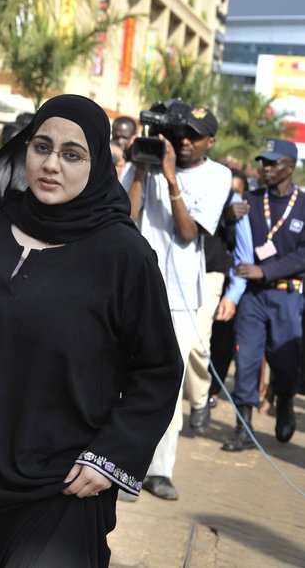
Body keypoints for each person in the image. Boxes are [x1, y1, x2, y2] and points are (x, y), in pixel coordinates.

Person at [0, 94, 182, 567]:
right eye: (41, 147)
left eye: (72, 154)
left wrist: (111, 455)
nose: (51, 164)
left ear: (98, 163)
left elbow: (158, 369)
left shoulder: (123, 255)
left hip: (64, 484)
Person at [121, 101, 231, 501]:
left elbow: (187, 233)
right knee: (122, 377)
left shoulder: (218, 175)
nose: (183, 142)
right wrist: (140, 171)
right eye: (178, 133)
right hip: (134, 288)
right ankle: (118, 464)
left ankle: (159, 469)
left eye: (193, 136)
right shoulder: (145, 160)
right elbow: (125, 216)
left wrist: (169, 179)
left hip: (181, 300)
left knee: (166, 382)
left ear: (210, 142)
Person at [222, 139, 305, 451]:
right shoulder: (251, 200)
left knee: (285, 362)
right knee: (247, 359)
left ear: (290, 166)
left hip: (288, 295)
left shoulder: (303, 204)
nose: (265, 168)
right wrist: (229, 220)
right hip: (253, 298)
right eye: (263, 163)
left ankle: (284, 402)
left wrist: (266, 271)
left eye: (273, 163)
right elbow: (233, 242)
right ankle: (243, 428)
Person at [208, 169, 251, 407]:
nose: (233, 198)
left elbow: (244, 255)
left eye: (238, 192)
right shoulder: (213, 211)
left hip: (230, 284)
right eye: (229, 192)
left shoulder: (245, 219)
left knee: (223, 342)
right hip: (208, 278)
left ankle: (214, 390)